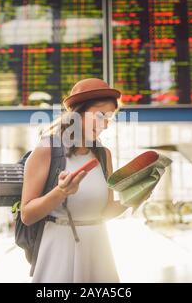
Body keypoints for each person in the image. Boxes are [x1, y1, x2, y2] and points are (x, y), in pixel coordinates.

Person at [20, 78, 130, 282]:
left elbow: (104, 211)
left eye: (109, 118)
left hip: (98, 248)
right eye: (100, 115)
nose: (105, 125)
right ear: (77, 114)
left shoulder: (103, 154)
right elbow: (27, 214)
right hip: (59, 250)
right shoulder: (46, 150)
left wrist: (133, 198)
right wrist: (61, 192)